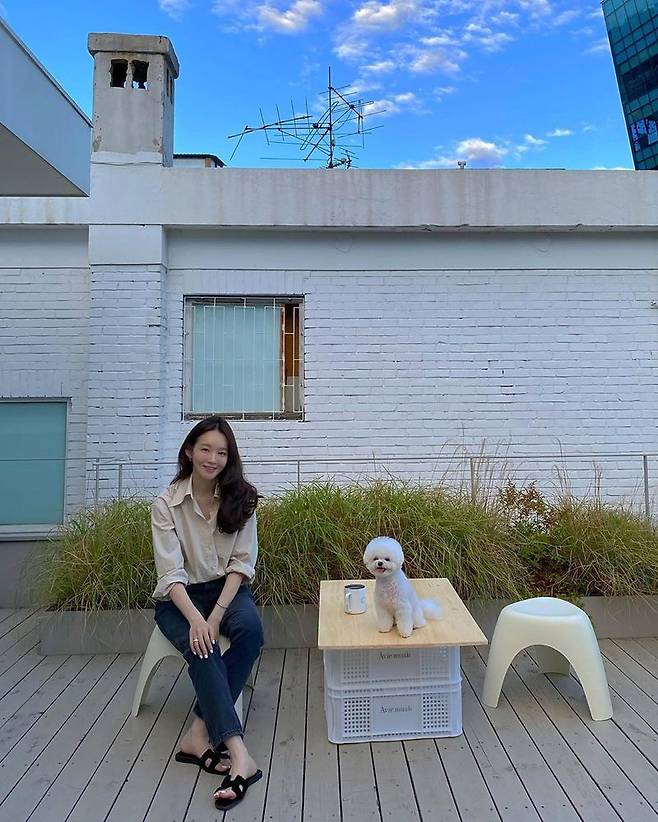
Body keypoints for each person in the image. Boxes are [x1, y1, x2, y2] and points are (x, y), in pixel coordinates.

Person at [151, 415, 264, 810]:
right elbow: (170, 575)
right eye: (205, 449)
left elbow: (242, 564)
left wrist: (214, 616)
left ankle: (198, 734)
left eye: (222, 452)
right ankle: (240, 754)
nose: (213, 459)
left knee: (251, 631)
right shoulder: (166, 505)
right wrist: (198, 621)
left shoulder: (242, 498)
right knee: (202, 646)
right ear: (189, 451)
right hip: (179, 599)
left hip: (226, 590)